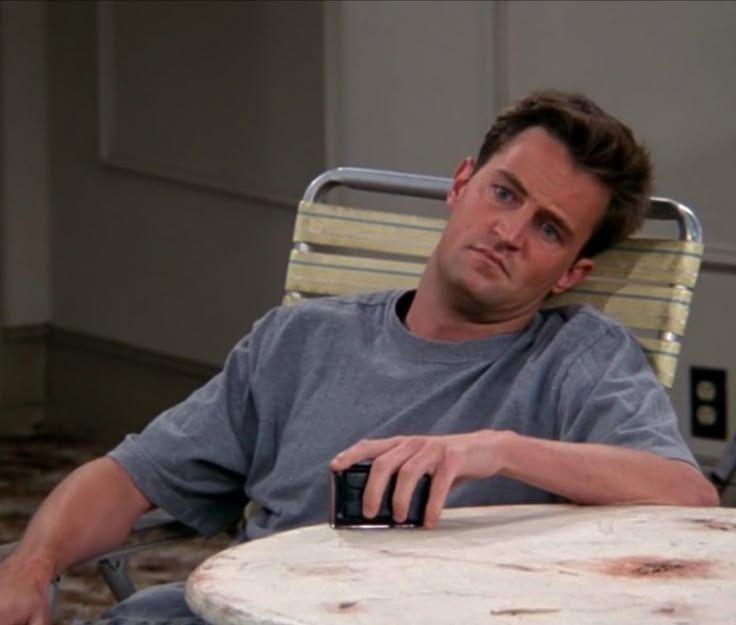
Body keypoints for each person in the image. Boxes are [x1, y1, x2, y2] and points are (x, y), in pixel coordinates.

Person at [0, 90, 718, 625]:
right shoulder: (301, 339)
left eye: (550, 229)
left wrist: (496, 451)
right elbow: (128, 477)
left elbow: (687, 496)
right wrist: (31, 566)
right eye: (503, 193)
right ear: (461, 184)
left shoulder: (578, 358)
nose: (509, 231)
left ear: (571, 274)